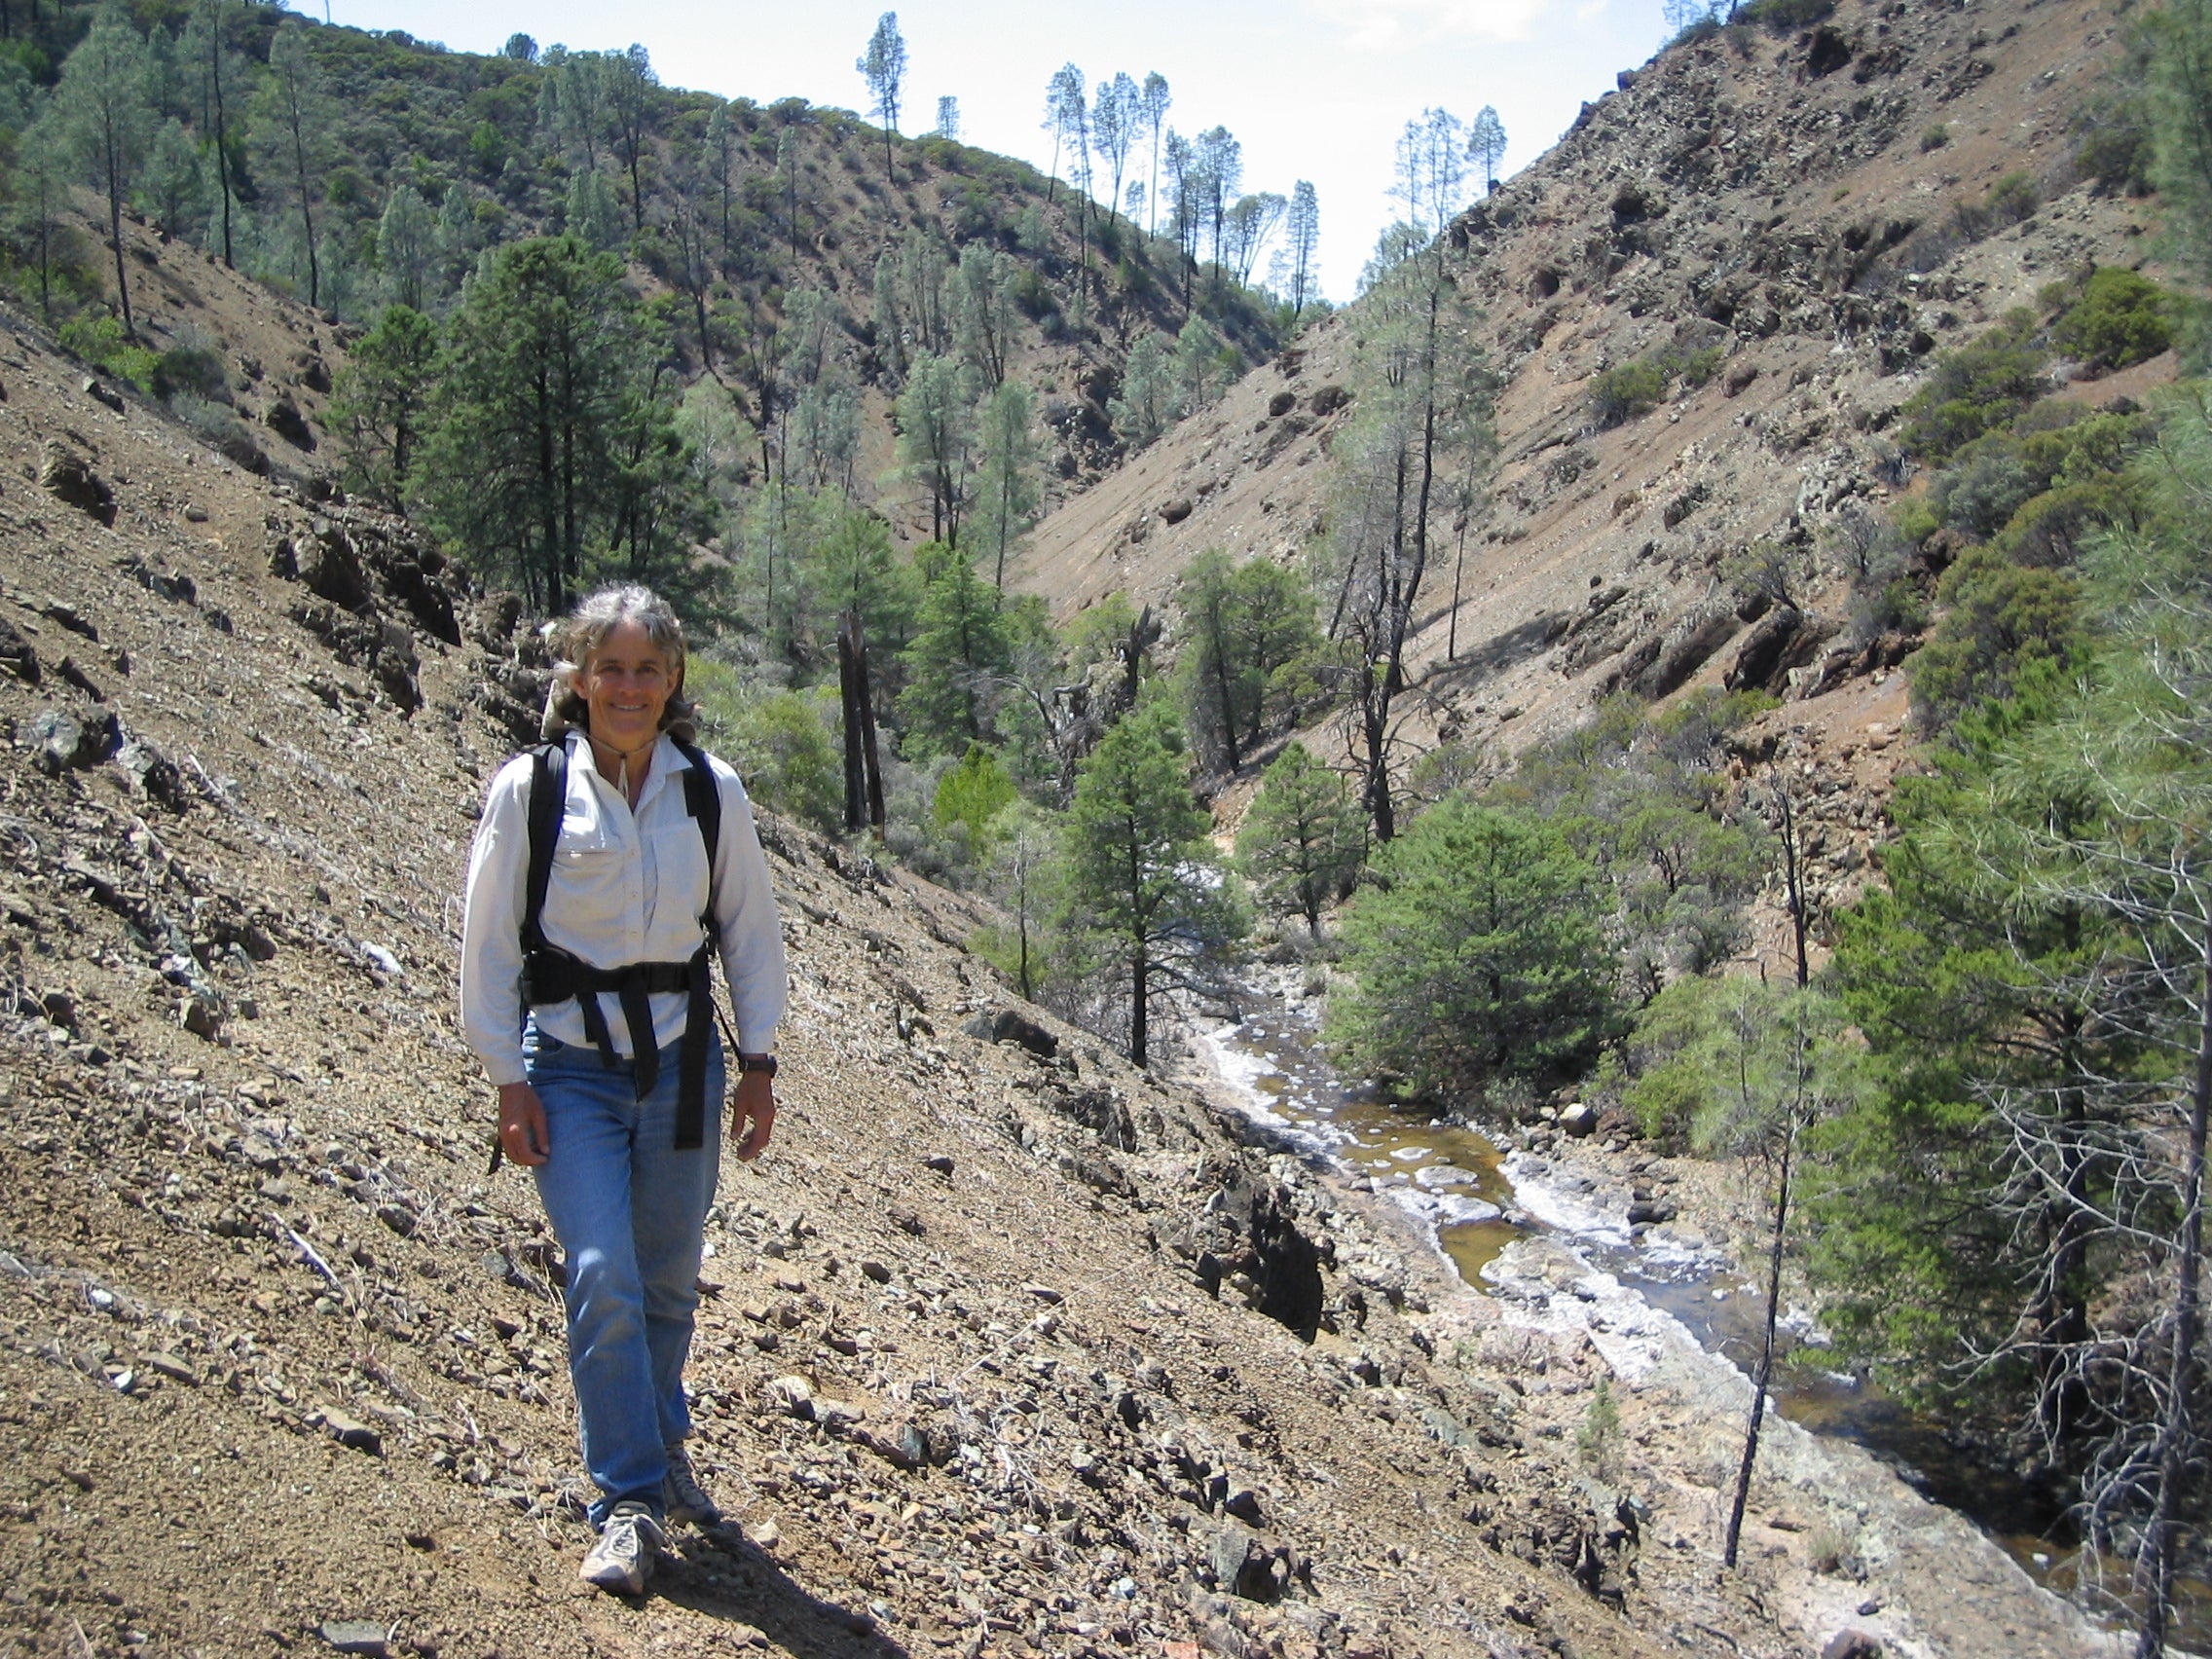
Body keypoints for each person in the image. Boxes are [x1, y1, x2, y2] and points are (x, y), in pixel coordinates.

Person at [460, 585, 786, 1597]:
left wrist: (760, 1063)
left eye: (648, 669)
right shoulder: (533, 789)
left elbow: (748, 930)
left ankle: (658, 1432)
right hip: (568, 1063)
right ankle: (629, 1500)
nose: (629, 687)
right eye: (611, 668)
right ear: (576, 677)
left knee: (668, 1278)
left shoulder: (708, 790)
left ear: (674, 679)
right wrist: (506, 1080)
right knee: (600, 1269)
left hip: (685, 1063)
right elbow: (484, 942)